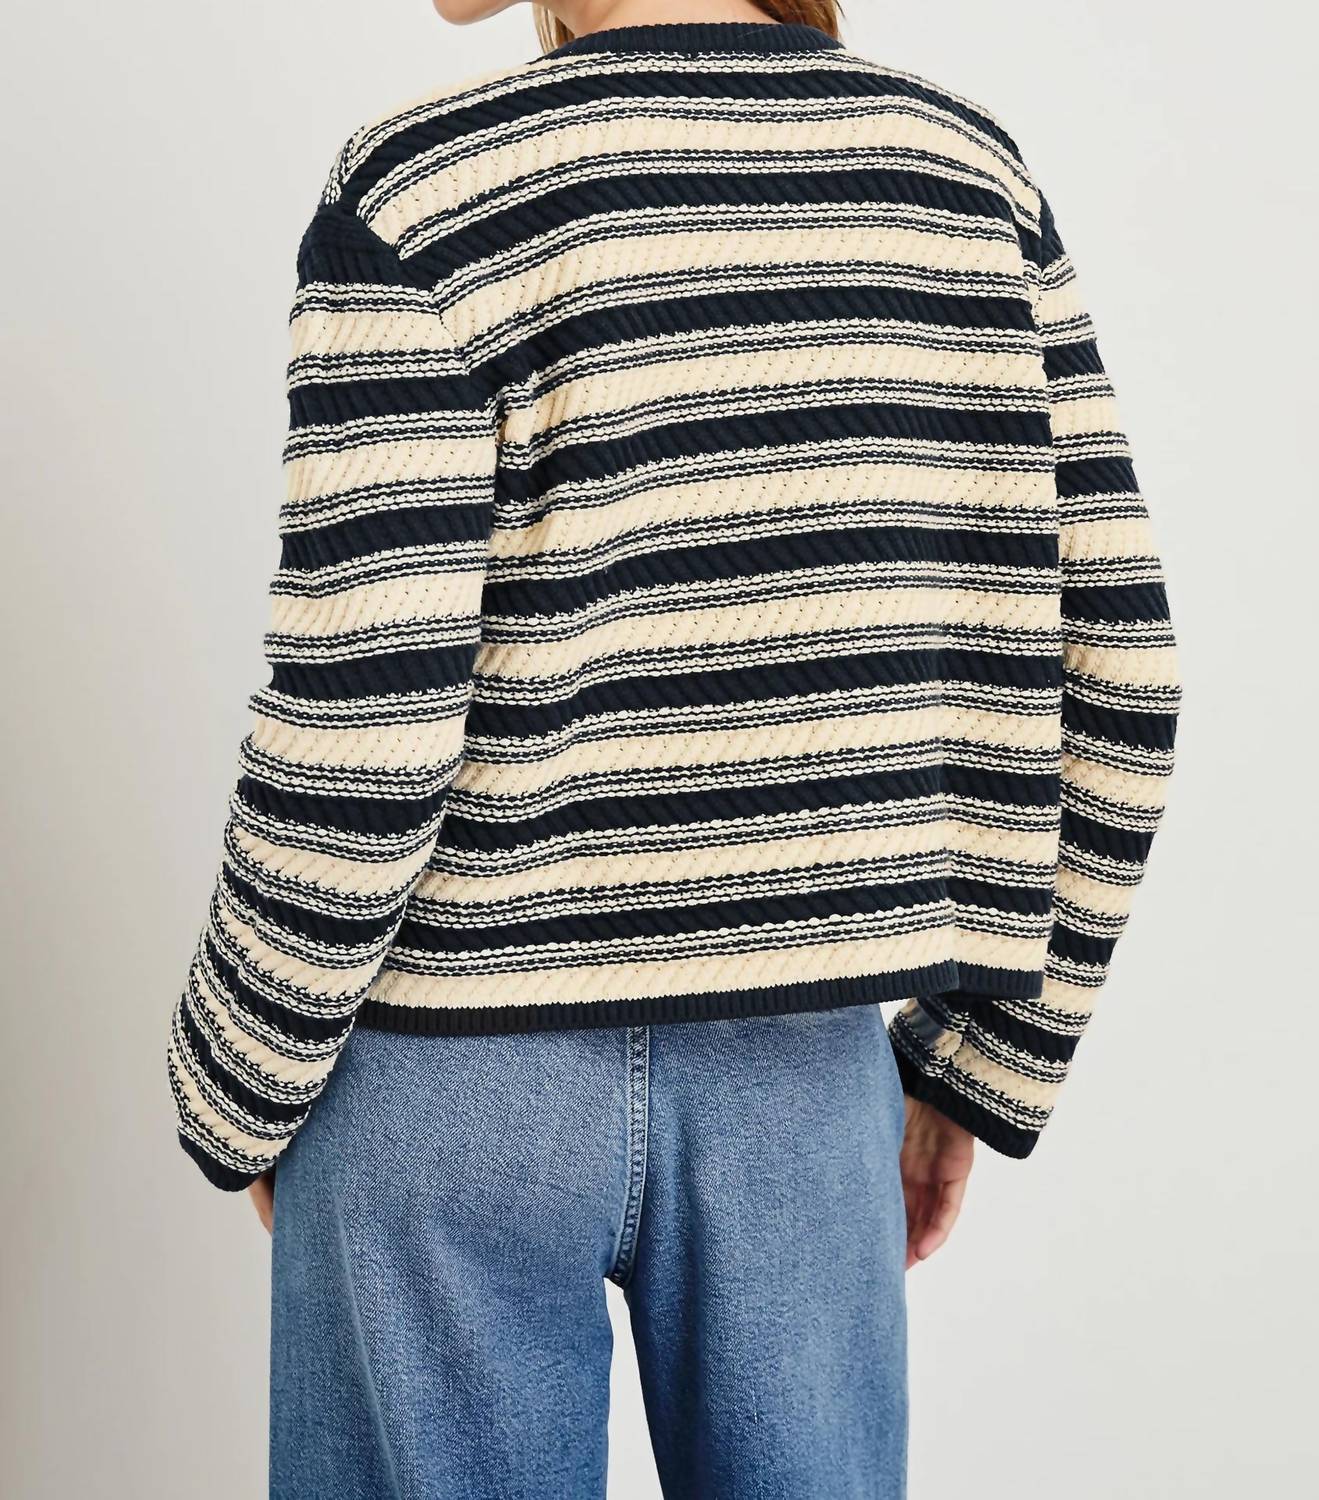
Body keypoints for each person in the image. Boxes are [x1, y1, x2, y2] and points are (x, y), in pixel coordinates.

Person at [166, 1, 1180, 1494]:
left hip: (446, 1080)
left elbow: (363, 730)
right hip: (801, 1079)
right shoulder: (965, 181)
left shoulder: (425, 191)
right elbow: (1126, 680)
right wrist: (982, 1063)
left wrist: (238, 1081)